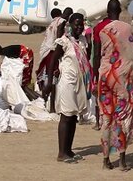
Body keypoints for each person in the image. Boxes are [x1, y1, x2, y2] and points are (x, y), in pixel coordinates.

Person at [95, 0, 133, 171]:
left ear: (108, 11)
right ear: (120, 10)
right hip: (121, 79)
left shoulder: (101, 29)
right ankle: (122, 161)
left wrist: (96, 80)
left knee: (106, 119)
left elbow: (97, 56)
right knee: (122, 116)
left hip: (104, 78)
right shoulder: (127, 29)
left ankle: (105, 160)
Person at [43, 13, 91, 163]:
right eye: (76, 24)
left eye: (81, 24)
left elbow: (86, 60)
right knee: (66, 116)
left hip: (79, 82)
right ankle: (61, 153)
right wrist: (49, 82)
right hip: (67, 82)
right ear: (70, 25)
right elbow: (52, 62)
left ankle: (69, 150)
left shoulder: (83, 41)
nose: (79, 27)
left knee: (74, 116)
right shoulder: (64, 41)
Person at [36, 8, 63, 93]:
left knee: (46, 73)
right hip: (53, 51)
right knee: (53, 75)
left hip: (46, 51)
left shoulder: (51, 25)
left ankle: (45, 94)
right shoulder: (60, 22)